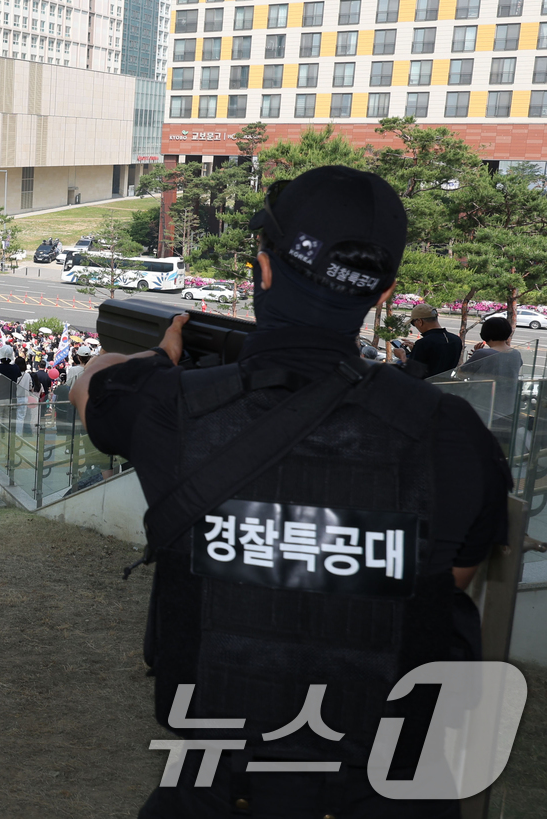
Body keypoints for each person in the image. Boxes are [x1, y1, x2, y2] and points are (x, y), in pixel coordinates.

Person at [70, 166, 509, 819]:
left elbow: (91, 385)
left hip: (221, 791)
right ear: (384, 291)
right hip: (389, 792)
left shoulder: (175, 411)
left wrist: (162, 361)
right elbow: (448, 582)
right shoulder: (451, 431)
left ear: (264, 270)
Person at [458, 315, 524, 451]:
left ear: (486, 334)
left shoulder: (482, 354)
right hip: (507, 407)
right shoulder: (515, 354)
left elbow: (461, 373)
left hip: (483, 406)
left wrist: (476, 354)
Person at [393, 303, 462, 378]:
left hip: (425, 387)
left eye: (413, 323)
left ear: (420, 321)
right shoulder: (456, 340)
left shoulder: (423, 343)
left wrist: (402, 356)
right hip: (445, 386)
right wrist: (416, 350)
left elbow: (412, 374)